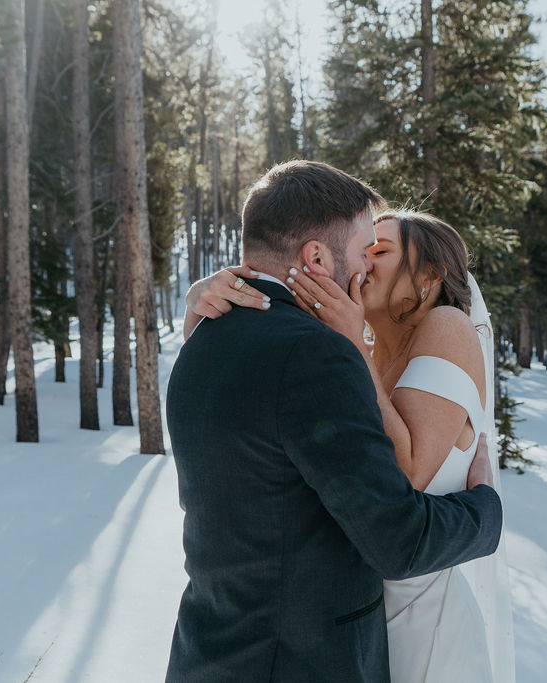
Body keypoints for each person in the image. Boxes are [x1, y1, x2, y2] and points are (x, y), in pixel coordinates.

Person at [165, 160, 504, 682]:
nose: (366, 266)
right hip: (300, 661)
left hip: (210, 654)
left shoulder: (202, 338)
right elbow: (398, 538)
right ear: (317, 256)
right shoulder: (316, 355)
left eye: (381, 252)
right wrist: (485, 511)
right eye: (364, 249)